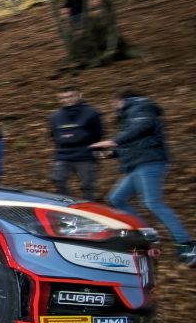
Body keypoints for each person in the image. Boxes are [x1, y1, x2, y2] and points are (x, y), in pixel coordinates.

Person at [91, 89, 196, 266]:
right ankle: (147, 233)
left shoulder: (141, 107)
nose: (113, 107)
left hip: (150, 163)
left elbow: (142, 128)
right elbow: (135, 141)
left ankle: (187, 244)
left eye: (114, 103)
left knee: (153, 202)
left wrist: (114, 141)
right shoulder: (130, 116)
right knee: (116, 199)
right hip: (137, 165)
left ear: (121, 101)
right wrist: (111, 154)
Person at [49, 88, 103, 200]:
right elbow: (53, 134)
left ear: (79, 95)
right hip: (63, 155)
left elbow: (98, 133)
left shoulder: (92, 113)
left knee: (87, 185)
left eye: (70, 96)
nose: (67, 100)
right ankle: (66, 204)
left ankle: (90, 208)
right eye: (63, 98)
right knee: (58, 180)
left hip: (84, 155)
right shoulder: (55, 116)